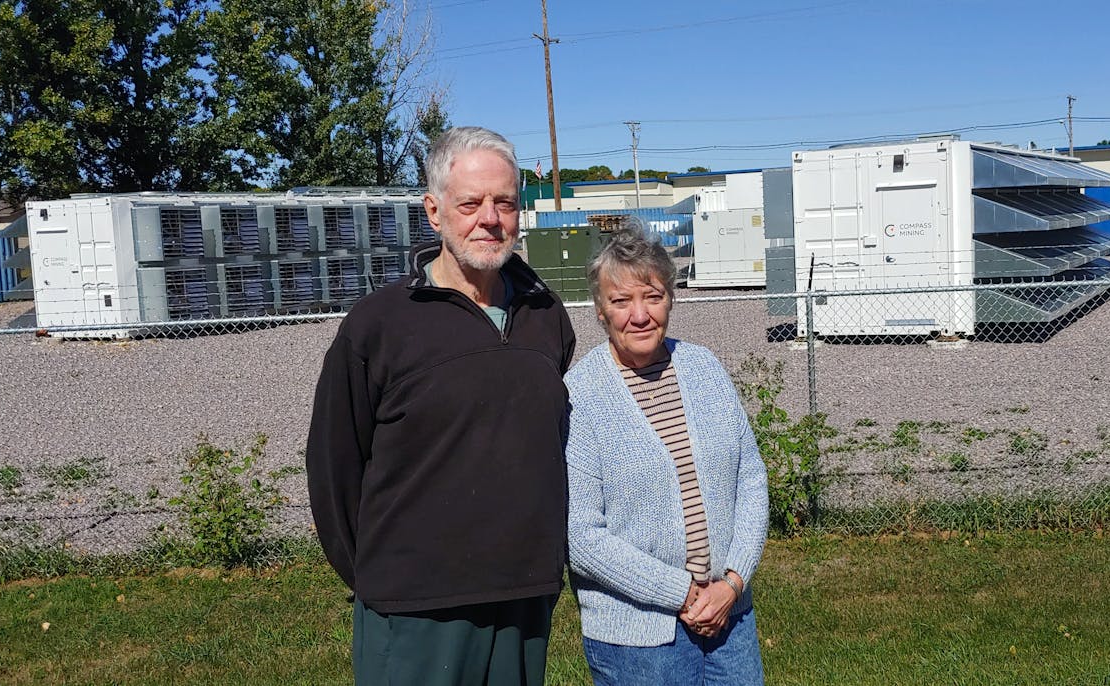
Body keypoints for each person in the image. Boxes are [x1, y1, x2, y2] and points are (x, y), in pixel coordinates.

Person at [306, 126, 576, 686]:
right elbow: (335, 468)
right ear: (434, 211)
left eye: (503, 202)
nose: (489, 218)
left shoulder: (545, 315)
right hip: (415, 607)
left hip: (524, 596)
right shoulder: (378, 327)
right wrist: (382, 574)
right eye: (470, 203)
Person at [563, 220, 769, 685]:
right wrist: (682, 594)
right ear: (600, 311)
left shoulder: (704, 367)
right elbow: (580, 536)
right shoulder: (580, 395)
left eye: (652, 296)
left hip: (729, 617)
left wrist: (732, 584)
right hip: (636, 637)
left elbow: (750, 480)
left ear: (670, 300)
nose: (640, 315)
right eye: (621, 301)